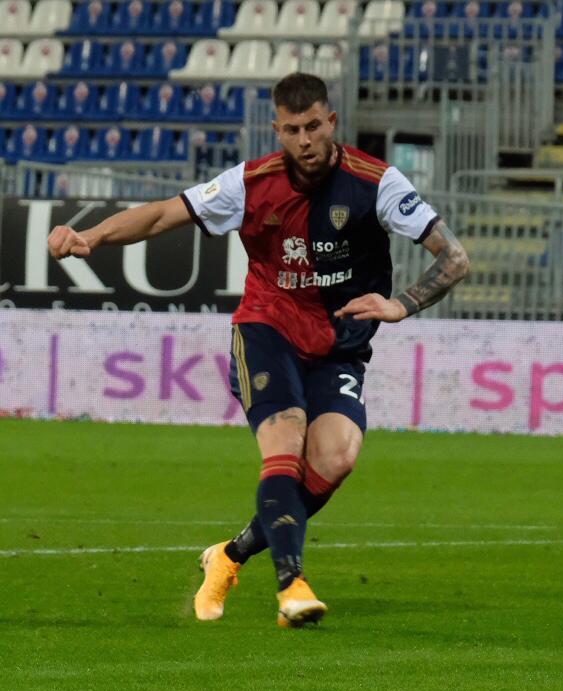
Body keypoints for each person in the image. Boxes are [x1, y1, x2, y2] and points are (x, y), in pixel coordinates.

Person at [46, 72, 471, 628]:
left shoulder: (377, 182)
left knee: (336, 458)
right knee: (285, 444)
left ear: (331, 123)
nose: (304, 140)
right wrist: (92, 237)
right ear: (277, 130)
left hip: (340, 346)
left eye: (314, 126)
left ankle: (228, 556)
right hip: (266, 332)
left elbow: (455, 258)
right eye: (292, 129)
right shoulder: (249, 183)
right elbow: (161, 213)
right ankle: (291, 585)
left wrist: (402, 304)